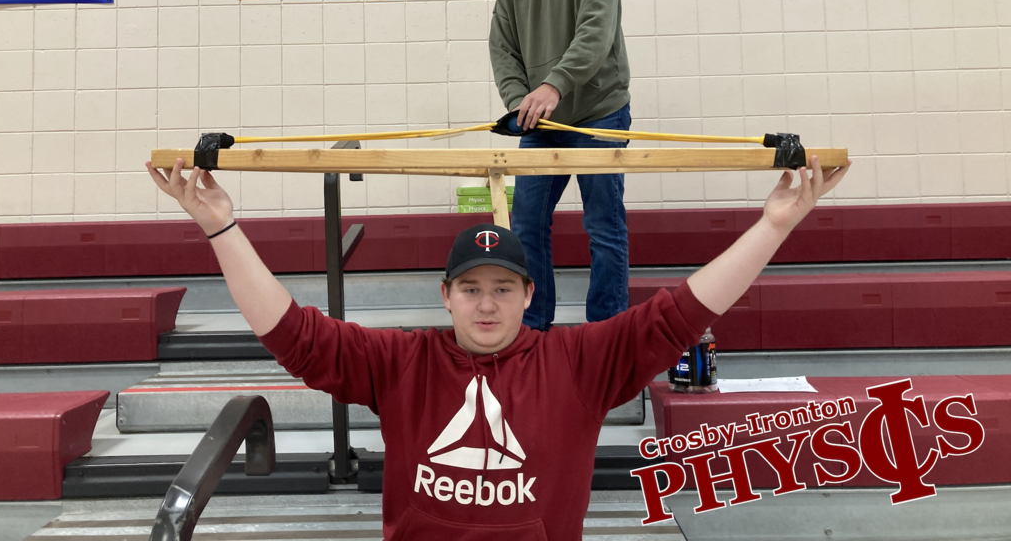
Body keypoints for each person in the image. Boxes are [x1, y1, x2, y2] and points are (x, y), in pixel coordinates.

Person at [145, 155, 849, 541]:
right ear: (445, 296)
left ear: (529, 294)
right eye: (472, 288)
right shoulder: (403, 363)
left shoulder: (577, 364)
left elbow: (680, 315)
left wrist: (775, 226)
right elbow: (293, 335)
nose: (487, 304)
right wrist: (221, 228)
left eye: (503, 289)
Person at [486, 0, 632, 331]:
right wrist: (518, 102)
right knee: (525, 226)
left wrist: (554, 84)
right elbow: (502, 47)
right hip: (542, 122)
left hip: (599, 112)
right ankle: (533, 333)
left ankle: (606, 337)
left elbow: (596, 30)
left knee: (603, 227)